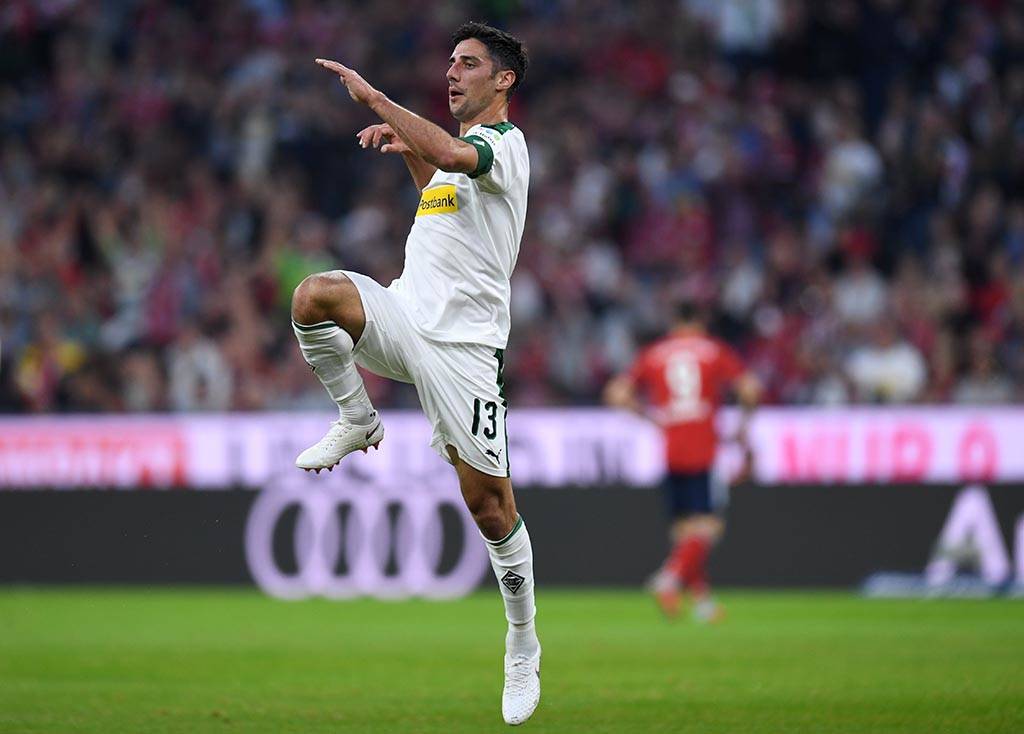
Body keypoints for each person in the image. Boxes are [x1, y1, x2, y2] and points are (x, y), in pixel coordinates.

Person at [292, 23, 539, 726]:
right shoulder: (454, 164)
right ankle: (357, 417)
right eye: (450, 63)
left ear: (503, 80)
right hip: (404, 316)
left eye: (469, 64)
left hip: (464, 349)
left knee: (490, 508)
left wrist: (377, 101)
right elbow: (443, 197)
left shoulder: (505, 147)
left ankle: (522, 642)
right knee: (313, 298)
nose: (452, 73)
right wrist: (410, 156)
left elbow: (457, 157)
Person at [604, 301, 760, 621]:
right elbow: (750, 390)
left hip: (672, 450)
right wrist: (743, 426)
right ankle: (670, 577)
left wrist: (650, 418)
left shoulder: (655, 353)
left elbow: (616, 394)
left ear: (674, 321)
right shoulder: (713, 350)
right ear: (699, 320)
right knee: (710, 528)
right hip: (704, 449)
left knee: (685, 533)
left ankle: (702, 603)